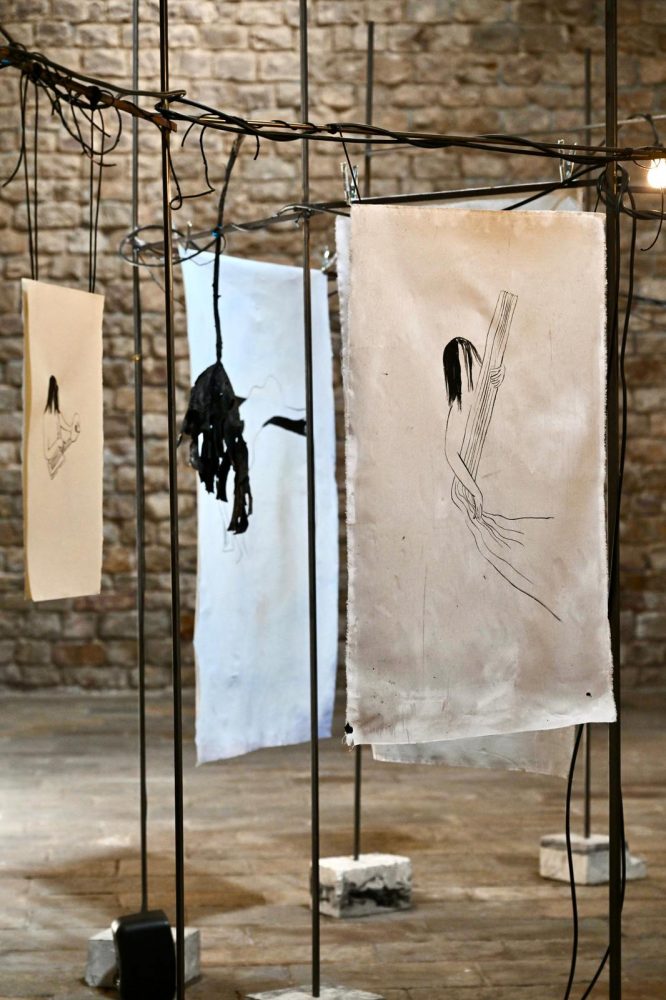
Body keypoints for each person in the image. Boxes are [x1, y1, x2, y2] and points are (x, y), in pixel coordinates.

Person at [442, 337, 560, 622]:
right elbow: (450, 452)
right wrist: (475, 491)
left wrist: (498, 380)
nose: (475, 364)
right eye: (468, 361)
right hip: (467, 491)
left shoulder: (481, 393)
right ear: (457, 370)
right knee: (498, 548)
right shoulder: (459, 405)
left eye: (473, 357)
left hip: (487, 484)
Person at [43, 375, 80, 479]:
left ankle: (53, 467)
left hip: (57, 447)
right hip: (49, 452)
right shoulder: (48, 415)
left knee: (65, 444)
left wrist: (74, 427)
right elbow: (48, 448)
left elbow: (68, 428)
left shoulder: (57, 414)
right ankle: (53, 466)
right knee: (61, 442)